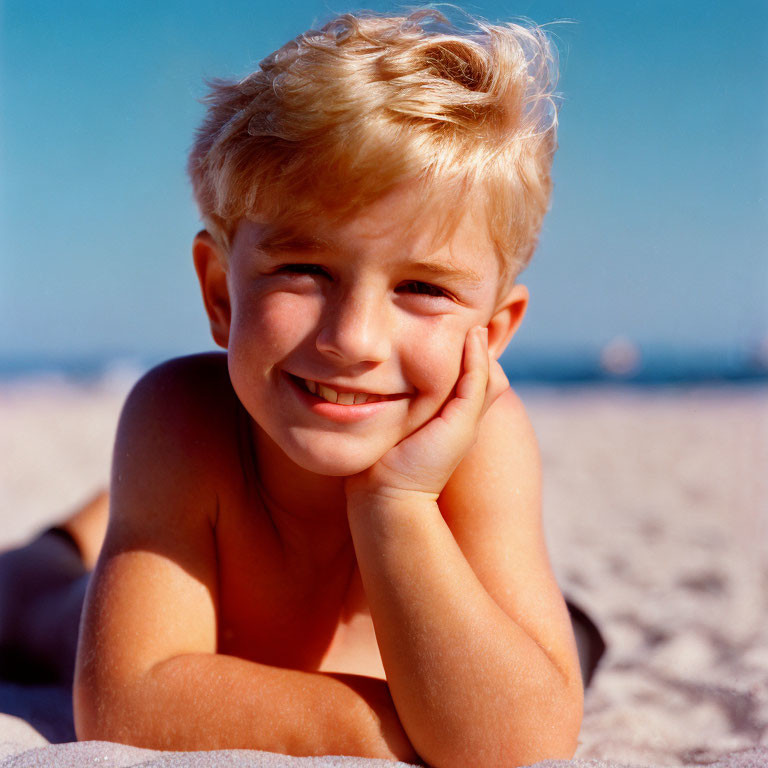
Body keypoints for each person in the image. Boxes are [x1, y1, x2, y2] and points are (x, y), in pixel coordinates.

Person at [0, 9, 604, 766]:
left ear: (492, 331)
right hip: (83, 613)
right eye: (305, 270)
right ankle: (64, 547)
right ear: (221, 295)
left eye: (422, 287)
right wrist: (408, 732)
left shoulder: (483, 441)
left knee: (556, 651)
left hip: (467, 624)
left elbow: (522, 739)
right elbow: (127, 701)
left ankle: (99, 518)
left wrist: (398, 503)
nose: (352, 339)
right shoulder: (182, 423)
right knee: (29, 604)